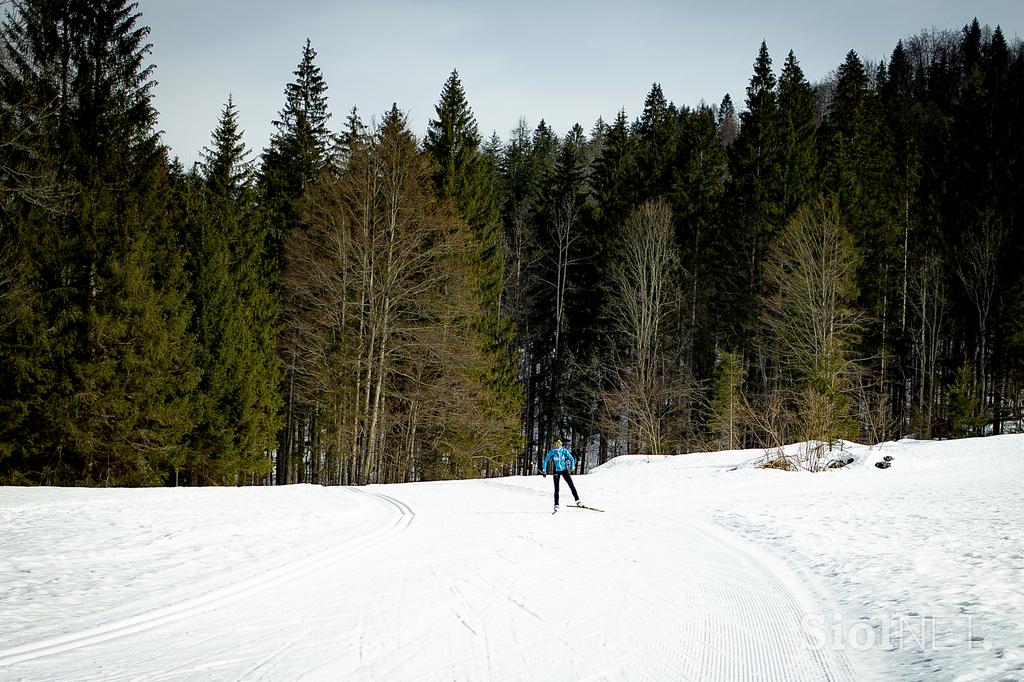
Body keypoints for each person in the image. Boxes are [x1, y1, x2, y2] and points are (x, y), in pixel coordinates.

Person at [541, 438, 581, 511]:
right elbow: (546, 460)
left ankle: (577, 501)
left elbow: (571, 458)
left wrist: (572, 467)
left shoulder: (564, 450)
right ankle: (556, 505)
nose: (557, 446)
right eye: (556, 444)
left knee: (571, 485)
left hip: (564, 470)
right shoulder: (552, 451)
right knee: (556, 489)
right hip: (556, 471)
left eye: (559, 445)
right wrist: (544, 470)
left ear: (561, 445)